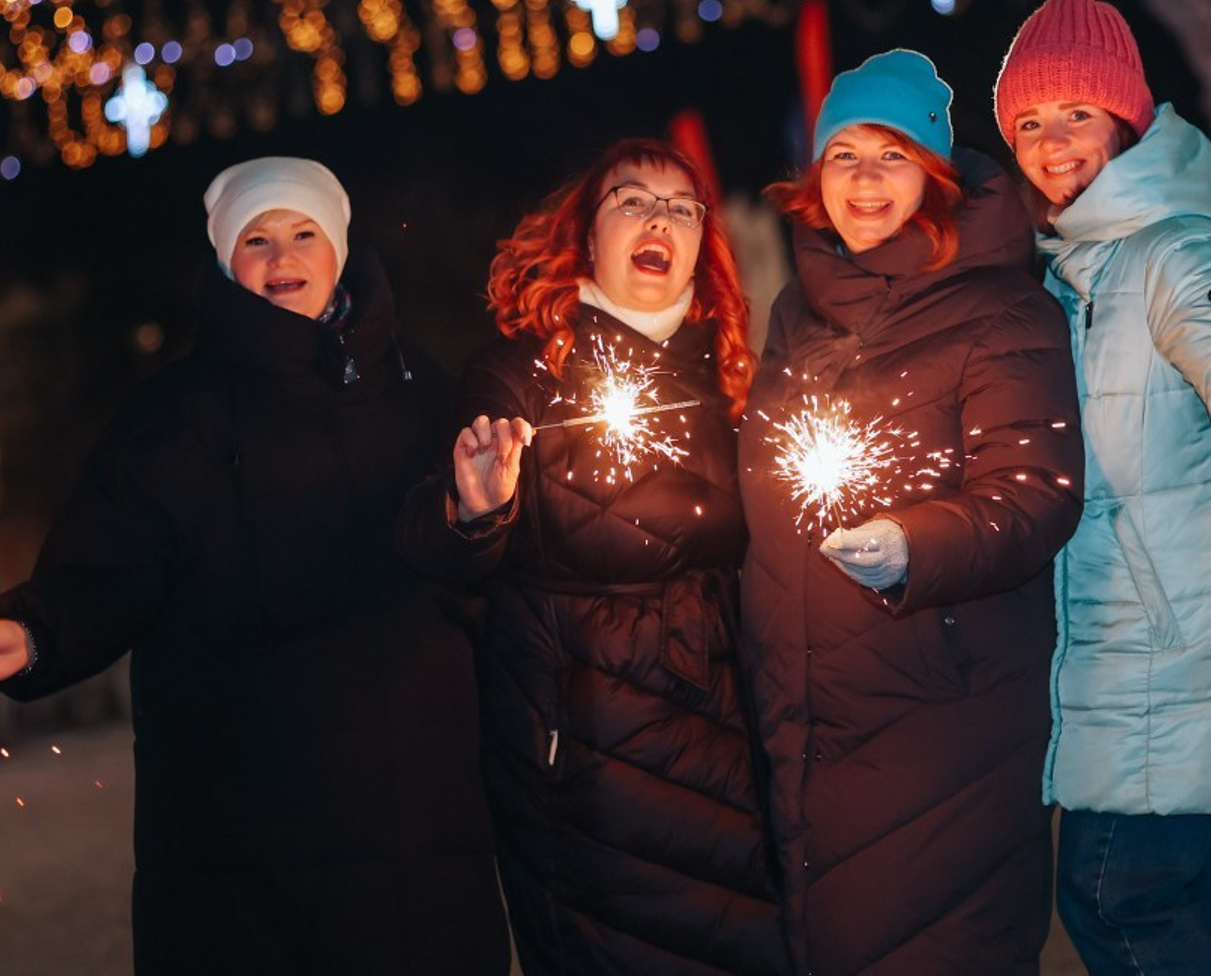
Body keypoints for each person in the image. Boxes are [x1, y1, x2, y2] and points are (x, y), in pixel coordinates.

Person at [0, 157, 509, 976]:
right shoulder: (176, 414)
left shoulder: (422, 393)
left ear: (339, 249)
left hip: (414, 814)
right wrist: (34, 630)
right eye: (256, 239)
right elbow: (111, 566)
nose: (282, 257)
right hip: (239, 829)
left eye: (303, 233)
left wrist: (482, 517)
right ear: (225, 261)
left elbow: (470, 568)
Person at [397, 137, 788, 976]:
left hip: (723, 732)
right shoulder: (521, 374)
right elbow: (436, 548)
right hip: (584, 758)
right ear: (586, 236)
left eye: (681, 208)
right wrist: (474, 509)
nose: (659, 220)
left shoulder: (730, 377)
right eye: (632, 202)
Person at [738, 49, 1085, 975]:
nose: (865, 180)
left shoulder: (1001, 311)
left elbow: (1034, 492)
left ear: (934, 174)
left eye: (892, 155)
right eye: (845, 155)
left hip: (940, 724)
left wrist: (910, 545)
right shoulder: (798, 313)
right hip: (805, 712)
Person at [995, 0, 1211, 974]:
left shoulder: (1171, 247)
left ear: (1122, 116)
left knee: (1115, 893)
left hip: (1175, 666)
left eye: (1075, 113)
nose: (1053, 143)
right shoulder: (1075, 267)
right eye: (1030, 123)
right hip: (1143, 668)